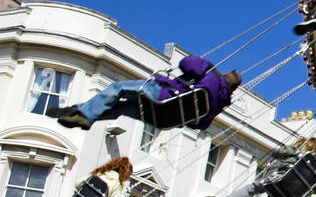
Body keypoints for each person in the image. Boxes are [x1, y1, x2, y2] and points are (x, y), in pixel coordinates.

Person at [50, 54, 241, 131]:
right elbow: (199, 126)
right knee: (122, 108)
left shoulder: (210, 75)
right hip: (165, 120)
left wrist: (205, 64)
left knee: (119, 89)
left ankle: (81, 111)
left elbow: (186, 63)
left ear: (224, 76)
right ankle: (83, 115)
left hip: (163, 97)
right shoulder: (219, 105)